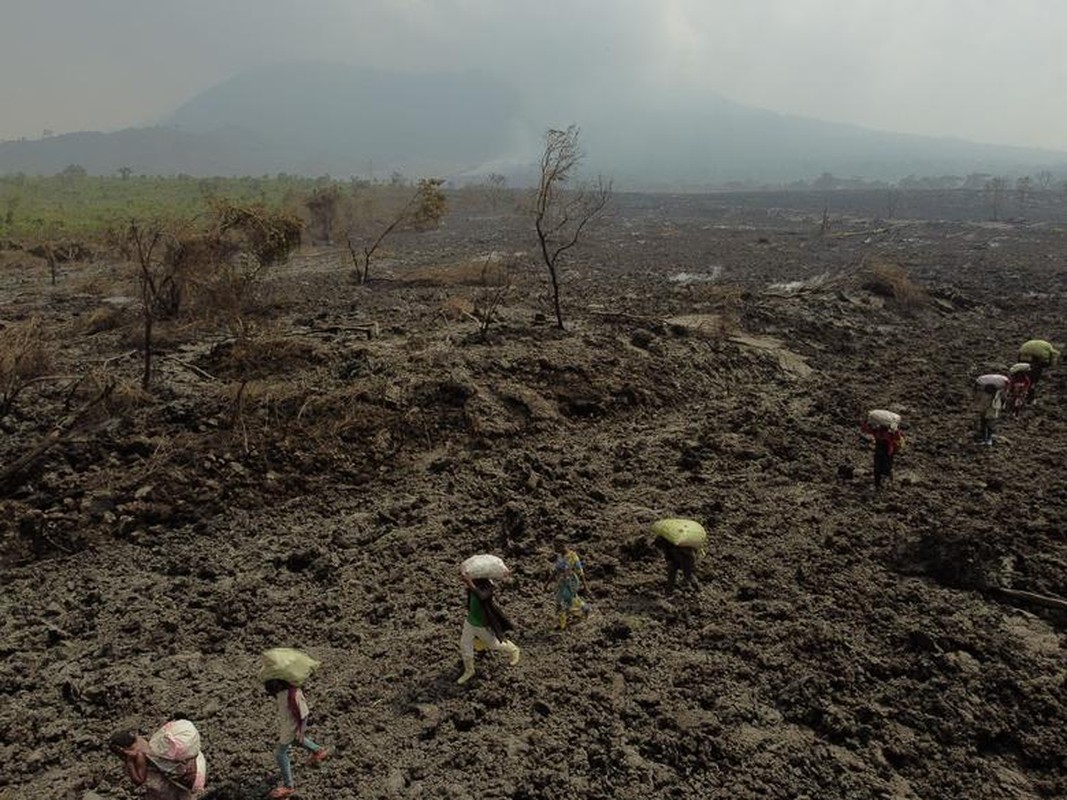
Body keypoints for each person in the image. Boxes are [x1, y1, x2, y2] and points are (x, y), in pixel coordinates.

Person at [264, 678, 330, 799]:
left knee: (280, 754)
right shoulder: (282, 693)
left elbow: (304, 714)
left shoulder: (294, 694)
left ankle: (288, 786)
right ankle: (318, 750)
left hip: (291, 727)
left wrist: (302, 730)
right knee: (296, 740)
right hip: (287, 725)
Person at [108, 725, 206, 800]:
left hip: (163, 786)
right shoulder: (144, 743)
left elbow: (139, 780)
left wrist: (129, 763)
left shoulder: (139, 754)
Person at [457, 569, 521, 685]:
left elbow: (482, 597)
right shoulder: (474, 584)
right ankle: (469, 670)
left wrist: (469, 582)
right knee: (465, 643)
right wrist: (466, 580)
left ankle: (514, 649)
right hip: (470, 621)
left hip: (481, 623)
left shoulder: (488, 586)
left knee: (494, 644)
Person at [546, 540, 589, 630]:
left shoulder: (573, 556)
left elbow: (580, 572)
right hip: (561, 583)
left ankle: (563, 624)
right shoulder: (559, 556)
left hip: (571, 583)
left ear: (562, 545)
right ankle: (562, 623)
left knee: (566, 602)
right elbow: (555, 571)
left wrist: (585, 586)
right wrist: (547, 583)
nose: (554, 549)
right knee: (559, 602)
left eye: (556, 547)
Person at [859, 417, 905, 489]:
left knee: (882, 467)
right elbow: (865, 430)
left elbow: (865, 430)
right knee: (881, 468)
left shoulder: (883, 433)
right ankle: (881, 484)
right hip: (883, 452)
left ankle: (882, 483)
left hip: (884, 452)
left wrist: (896, 431)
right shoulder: (883, 433)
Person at [1018, 339, 1061, 404]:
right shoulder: (1049, 350)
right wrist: (1048, 364)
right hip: (1034, 361)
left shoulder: (1031, 346)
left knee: (1023, 375)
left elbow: (1019, 358)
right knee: (1033, 380)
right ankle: (1030, 397)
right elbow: (1047, 361)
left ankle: (1019, 392)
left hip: (1023, 356)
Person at [974, 374, 1008, 445]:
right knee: (988, 425)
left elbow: (980, 402)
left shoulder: (985, 395)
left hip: (987, 410)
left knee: (985, 424)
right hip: (991, 411)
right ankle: (988, 439)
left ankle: (986, 439)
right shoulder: (996, 395)